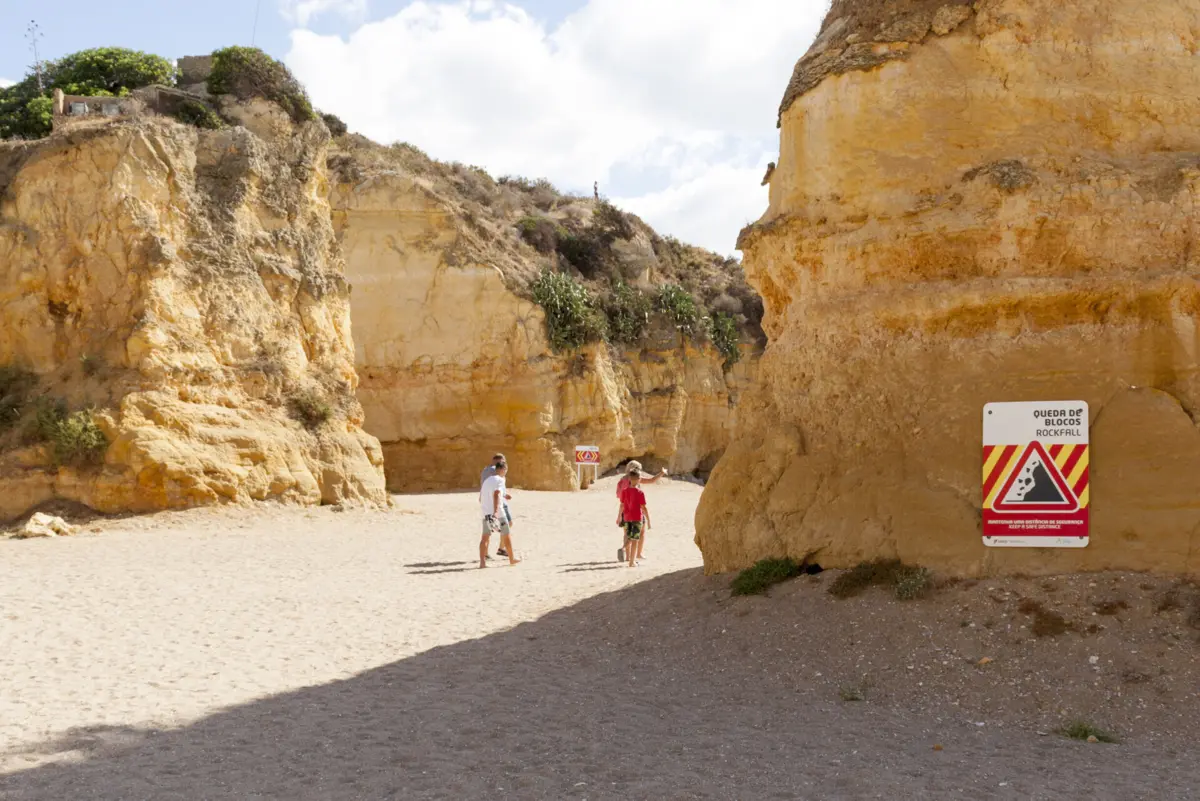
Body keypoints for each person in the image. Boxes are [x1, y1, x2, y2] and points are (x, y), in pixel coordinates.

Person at [615, 461, 667, 562]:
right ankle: (637, 554)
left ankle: (628, 556)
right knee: (640, 533)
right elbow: (652, 480)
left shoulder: (622, 480)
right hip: (636, 512)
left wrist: (619, 516)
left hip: (625, 511)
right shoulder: (636, 479)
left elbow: (618, 495)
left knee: (627, 534)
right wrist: (662, 473)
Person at [480, 461, 520, 568]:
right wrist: (496, 510)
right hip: (498, 514)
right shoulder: (500, 480)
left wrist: (504, 496)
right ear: (503, 469)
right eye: (506, 470)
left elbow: (482, 497)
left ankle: (482, 563)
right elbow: (496, 493)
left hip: (486, 513)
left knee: (485, 538)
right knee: (506, 535)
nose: (506, 472)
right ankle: (512, 560)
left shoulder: (486, 481)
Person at [618, 471, 650, 568]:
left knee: (629, 536)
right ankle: (631, 562)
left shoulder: (624, 491)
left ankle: (624, 549)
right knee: (635, 539)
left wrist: (620, 516)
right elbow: (643, 507)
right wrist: (649, 520)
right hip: (637, 518)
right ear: (639, 480)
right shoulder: (640, 492)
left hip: (627, 517)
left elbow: (622, 505)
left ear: (629, 480)